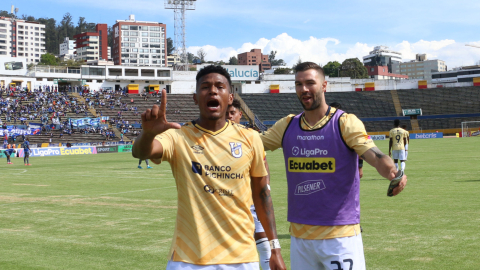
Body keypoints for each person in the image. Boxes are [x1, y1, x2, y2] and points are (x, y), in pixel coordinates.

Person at [132, 65, 286, 270]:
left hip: (241, 258)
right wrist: (149, 134)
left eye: (220, 87)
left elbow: (262, 195)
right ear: (195, 98)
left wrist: (274, 249)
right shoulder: (178, 136)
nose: (213, 91)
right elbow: (141, 153)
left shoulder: (250, 139)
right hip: (188, 259)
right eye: (205, 87)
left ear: (230, 97)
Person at [260, 62, 407, 270]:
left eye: (310, 83)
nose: (304, 89)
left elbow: (375, 155)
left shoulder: (344, 122)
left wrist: (392, 171)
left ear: (324, 85)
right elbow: (254, 145)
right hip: (300, 239)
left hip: (340, 237)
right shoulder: (287, 125)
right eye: (299, 84)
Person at [226, 99, 271, 270]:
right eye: (226, 114)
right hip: (231, 203)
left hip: (253, 200)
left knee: (265, 245)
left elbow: (264, 164)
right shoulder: (216, 137)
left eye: (232, 113)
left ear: (239, 114)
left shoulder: (250, 136)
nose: (229, 117)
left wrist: (266, 188)